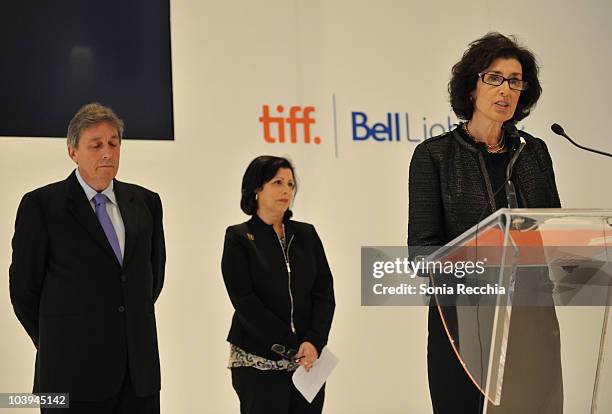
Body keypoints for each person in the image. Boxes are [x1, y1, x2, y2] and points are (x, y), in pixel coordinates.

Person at [408, 33, 562, 413]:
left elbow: (556, 232)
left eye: (515, 80)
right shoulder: (435, 156)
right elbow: (421, 253)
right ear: (471, 87)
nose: (505, 89)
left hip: (531, 317)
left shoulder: (534, 152)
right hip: (464, 321)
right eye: (494, 77)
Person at [9, 102, 166, 414]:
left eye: (113, 143)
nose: (107, 152)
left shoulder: (146, 203)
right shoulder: (41, 206)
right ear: (73, 151)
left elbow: (152, 278)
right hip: (70, 374)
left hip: (138, 377)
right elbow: (24, 291)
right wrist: (60, 340)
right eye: (96, 145)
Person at [221, 155, 335, 414]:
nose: (286, 190)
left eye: (291, 184)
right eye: (277, 182)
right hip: (258, 362)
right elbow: (244, 301)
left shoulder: (306, 235)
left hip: (307, 363)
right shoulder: (239, 237)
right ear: (256, 189)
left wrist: (314, 341)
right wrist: (291, 344)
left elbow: (324, 294)